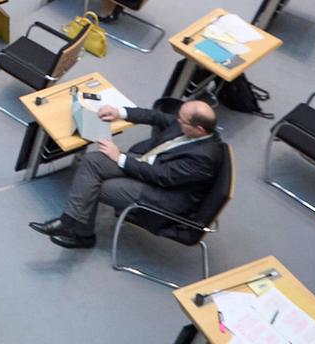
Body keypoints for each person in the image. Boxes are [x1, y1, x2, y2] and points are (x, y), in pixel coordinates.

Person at [28, 100, 223, 249]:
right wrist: (120, 112)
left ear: (199, 129)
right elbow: (156, 117)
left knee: (98, 187)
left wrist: (119, 157)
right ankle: (71, 224)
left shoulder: (204, 157)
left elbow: (161, 176)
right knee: (93, 160)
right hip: (148, 165)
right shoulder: (188, 127)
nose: (177, 121)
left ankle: (80, 233)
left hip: (160, 194)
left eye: (182, 120)